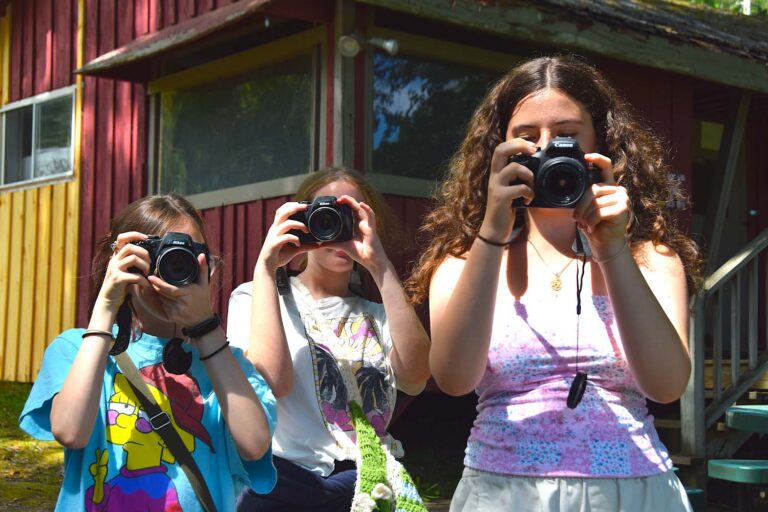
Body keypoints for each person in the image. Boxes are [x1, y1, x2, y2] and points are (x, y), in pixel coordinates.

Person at [405, 55, 702, 512]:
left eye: (564, 135)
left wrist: (612, 250)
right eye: (526, 138)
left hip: (636, 493)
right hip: (505, 495)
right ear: (498, 151)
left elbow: (665, 387)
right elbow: (454, 379)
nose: (545, 150)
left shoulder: (650, 259)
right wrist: (491, 232)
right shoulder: (463, 263)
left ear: (599, 145)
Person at [20, 193, 277, 511]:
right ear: (122, 263)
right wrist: (106, 305)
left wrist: (206, 328)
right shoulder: (78, 349)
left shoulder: (228, 367)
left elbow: (254, 445)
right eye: (153, 255)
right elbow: (70, 431)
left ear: (206, 267)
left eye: (186, 257)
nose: (168, 270)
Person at [227, 167, 431, 511]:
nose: (338, 228)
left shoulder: (380, 314)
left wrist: (379, 265)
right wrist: (266, 268)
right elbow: (271, 381)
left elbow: (415, 378)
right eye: (328, 214)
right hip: (281, 483)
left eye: (352, 215)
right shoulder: (253, 297)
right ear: (302, 220)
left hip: (366, 484)